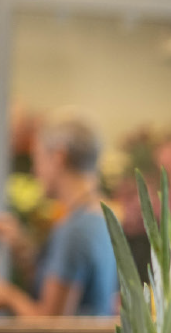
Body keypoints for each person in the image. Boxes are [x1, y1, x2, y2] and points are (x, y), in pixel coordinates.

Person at [0, 115, 117, 317]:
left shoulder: (76, 230)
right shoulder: (100, 216)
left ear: (58, 156)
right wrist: (23, 251)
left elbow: (52, 326)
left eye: (37, 158)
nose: (34, 170)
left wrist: (8, 296)